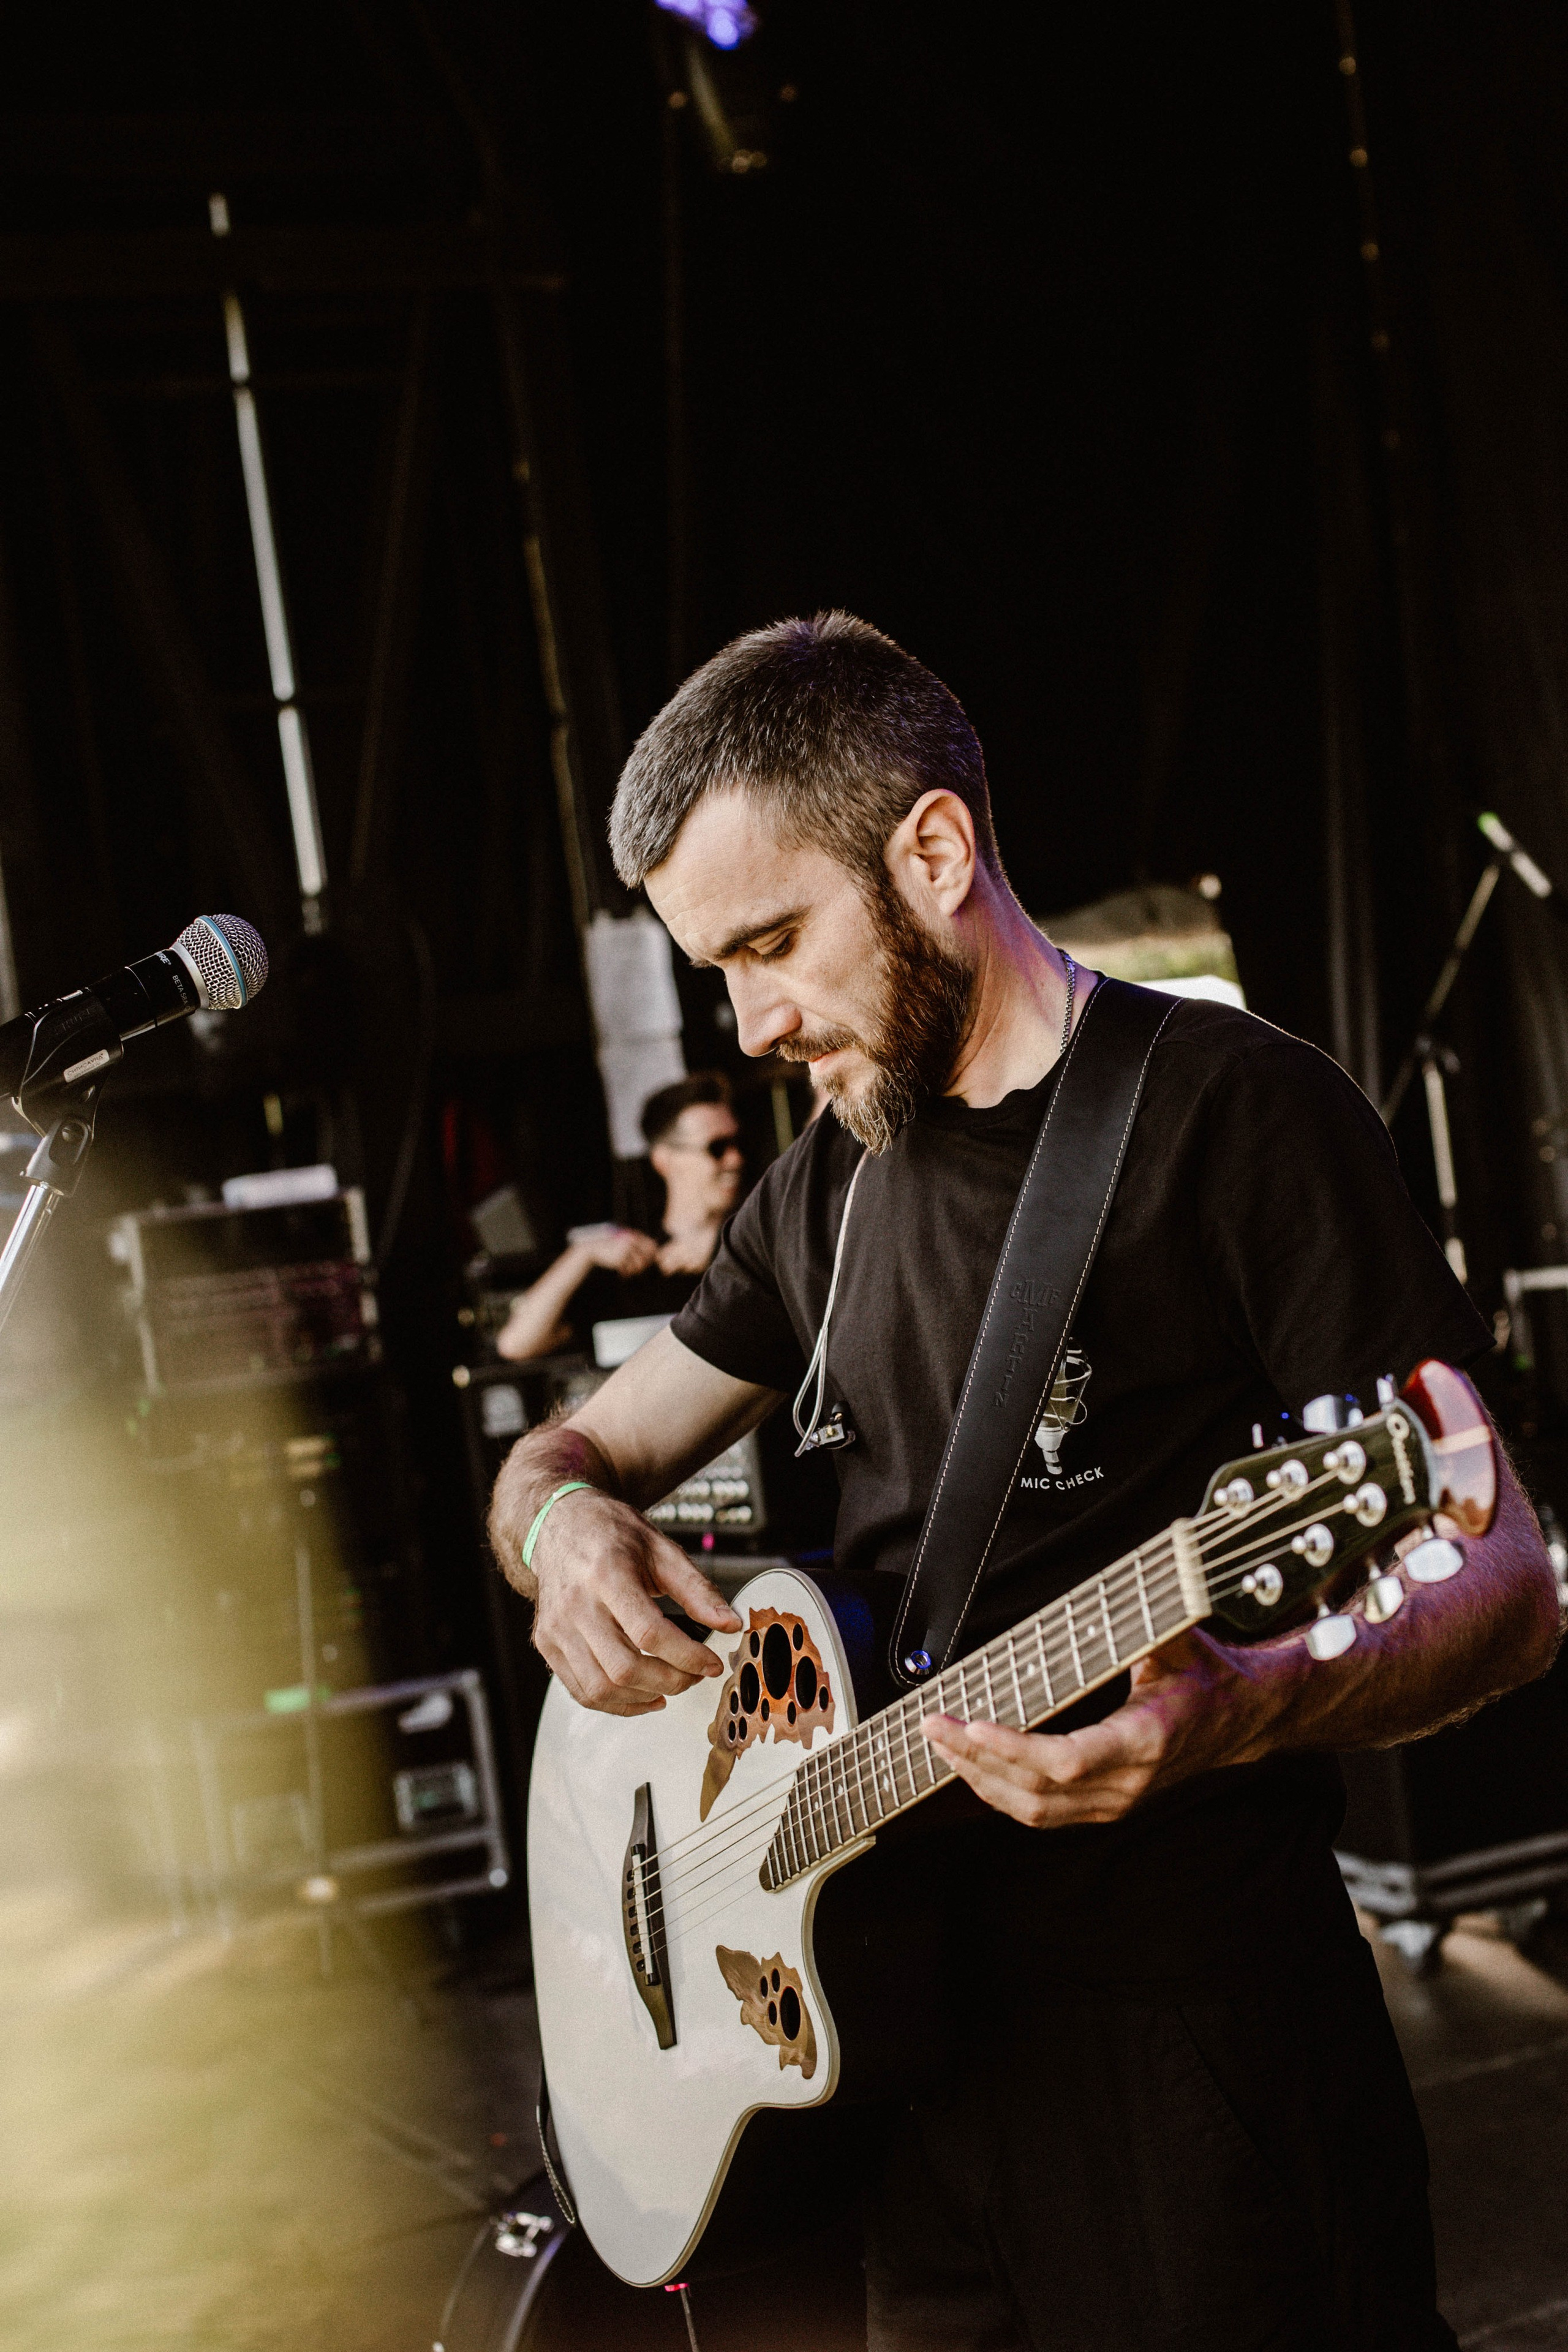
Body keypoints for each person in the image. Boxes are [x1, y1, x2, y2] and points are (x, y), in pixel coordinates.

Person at [489, 612, 1560, 2350]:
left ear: (933, 851)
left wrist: (1246, 1708)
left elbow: (1503, 1583)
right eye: (716, 971)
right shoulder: (824, 1186)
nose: (753, 1023)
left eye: (772, 943)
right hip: (897, 2058)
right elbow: (571, 1447)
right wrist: (564, 1530)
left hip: (1198, 2065)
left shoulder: (1239, 1117)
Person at [494, 1072, 743, 1362]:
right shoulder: (634, 1260)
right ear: (664, 1160)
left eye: (737, 1144)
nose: (736, 1159)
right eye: (717, 1148)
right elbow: (516, 1345)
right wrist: (582, 1254)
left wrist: (721, 1250)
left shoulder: (751, 1236)